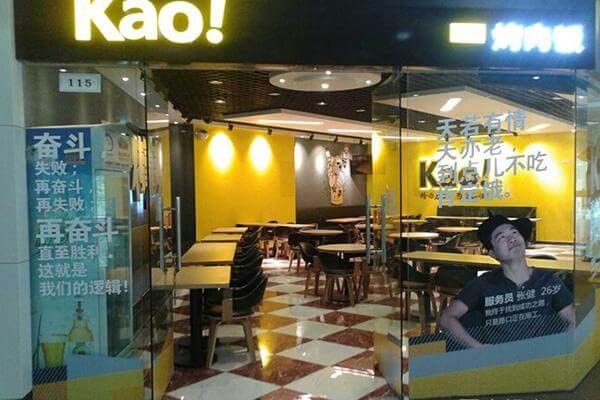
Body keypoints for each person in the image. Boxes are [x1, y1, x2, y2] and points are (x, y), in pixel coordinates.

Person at [440, 215, 575, 348]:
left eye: (514, 232)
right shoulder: (483, 284)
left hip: (541, 357)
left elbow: (573, 321)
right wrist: (478, 348)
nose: (511, 238)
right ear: (493, 253)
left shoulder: (547, 281)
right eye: (502, 237)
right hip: (501, 359)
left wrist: (561, 350)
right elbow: (447, 319)